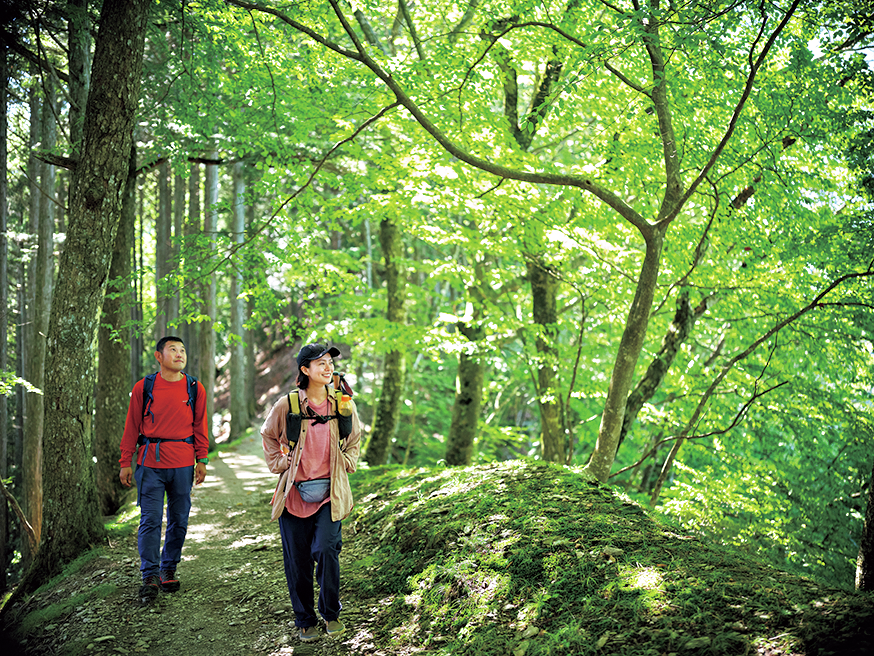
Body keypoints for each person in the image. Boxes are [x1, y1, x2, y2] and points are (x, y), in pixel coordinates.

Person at [261, 343, 361, 642]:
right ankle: (305, 619)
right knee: (298, 560)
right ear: (305, 370)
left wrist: (347, 461)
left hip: (331, 493)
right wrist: (280, 462)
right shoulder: (288, 405)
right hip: (294, 495)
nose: (328, 368)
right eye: (320, 363)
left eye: (330, 363)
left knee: (326, 550)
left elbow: (354, 438)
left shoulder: (343, 404)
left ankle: (331, 612)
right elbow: (267, 434)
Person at [119, 336, 209, 600]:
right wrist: (126, 461)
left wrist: (201, 459)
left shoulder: (195, 388)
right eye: (173, 350)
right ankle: (149, 574)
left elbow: (200, 426)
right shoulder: (144, 387)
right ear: (159, 356)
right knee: (150, 520)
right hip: (150, 464)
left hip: (183, 464)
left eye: (182, 350)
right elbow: (132, 426)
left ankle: (168, 569)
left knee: (179, 520)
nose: (179, 354)